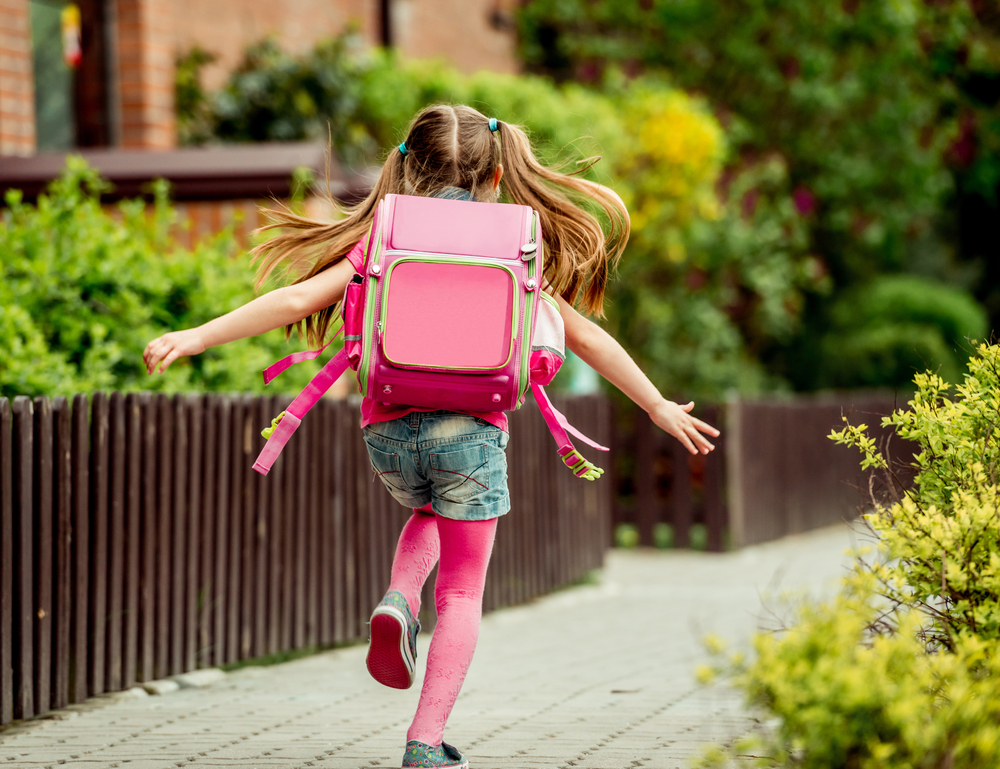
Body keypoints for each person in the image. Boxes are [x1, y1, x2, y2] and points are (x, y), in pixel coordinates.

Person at [143, 104, 719, 769]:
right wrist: (654, 404)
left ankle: (397, 596)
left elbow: (298, 301)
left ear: (408, 168)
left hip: (387, 429)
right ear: (498, 175)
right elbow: (585, 336)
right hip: (473, 433)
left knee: (426, 505)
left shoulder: (385, 236)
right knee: (464, 591)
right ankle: (424, 742)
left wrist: (197, 335)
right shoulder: (516, 240)